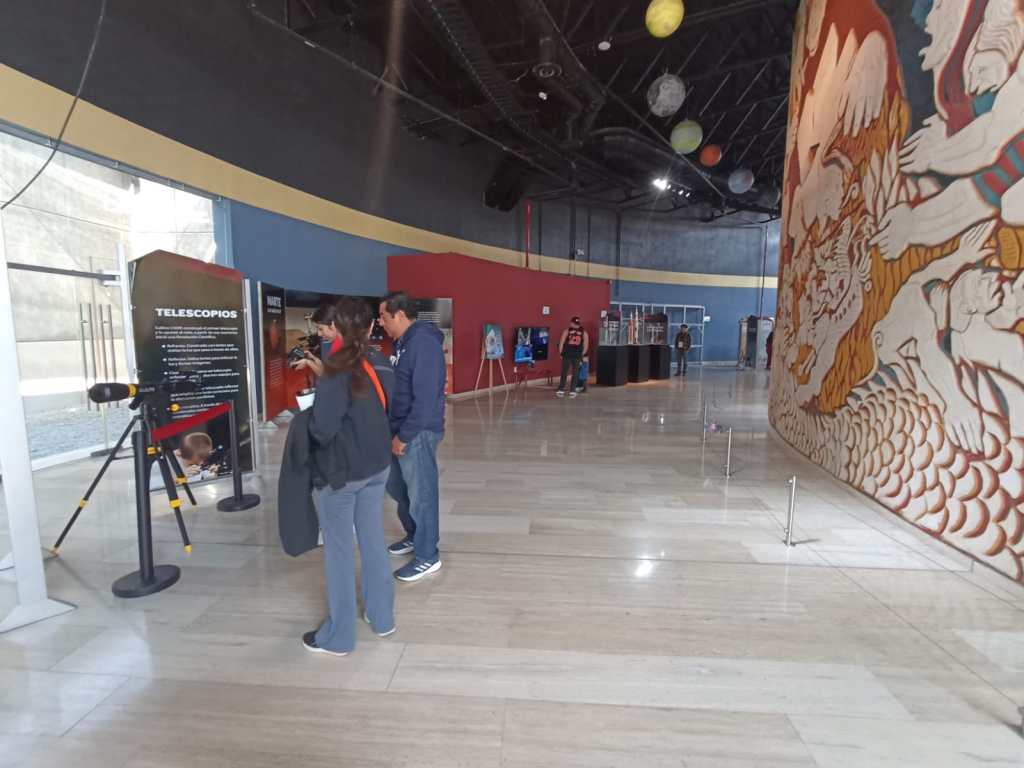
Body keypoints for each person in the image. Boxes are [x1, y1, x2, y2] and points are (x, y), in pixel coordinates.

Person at [301, 297, 396, 657]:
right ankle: (382, 617)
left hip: (343, 474)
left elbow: (323, 429)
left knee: (339, 553)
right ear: (371, 327)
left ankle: (339, 637)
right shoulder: (379, 360)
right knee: (373, 541)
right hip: (377, 467)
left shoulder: (336, 369)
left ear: (337, 327)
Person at [378, 291, 446, 582]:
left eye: (383, 317)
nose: (380, 322)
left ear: (400, 315)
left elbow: (426, 399)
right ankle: (415, 535)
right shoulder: (403, 343)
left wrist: (404, 436)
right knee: (398, 487)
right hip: (398, 429)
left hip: (417, 433)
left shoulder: (423, 344)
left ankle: (427, 555)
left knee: (422, 494)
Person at [556, 316, 589, 397]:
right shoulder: (584, 333)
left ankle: (562, 389)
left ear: (571, 323)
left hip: (567, 355)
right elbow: (586, 345)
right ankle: (572, 390)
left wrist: (561, 353)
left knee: (565, 372)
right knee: (575, 373)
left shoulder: (567, 331)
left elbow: (561, 343)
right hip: (575, 356)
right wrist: (581, 355)